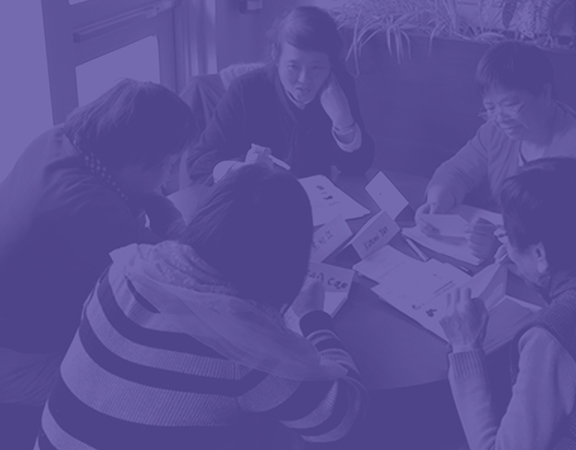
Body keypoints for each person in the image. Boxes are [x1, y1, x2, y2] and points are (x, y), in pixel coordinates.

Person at [36, 164, 367, 449]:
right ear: (287, 261)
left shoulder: (126, 267)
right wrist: (314, 318)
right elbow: (338, 418)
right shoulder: (246, 348)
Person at [0, 79, 198, 449]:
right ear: (135, 158)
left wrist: (167, 214)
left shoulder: (60, 140)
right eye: (168, 164)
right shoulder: (84, 209)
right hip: (18, 361)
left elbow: (140, 190)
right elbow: (174, 274)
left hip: (14, 317)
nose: (171, 177)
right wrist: (180, 229)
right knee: (148, 384)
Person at [439, 158, 576, 450]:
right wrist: (535, 271)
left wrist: (465, 347)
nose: (508, 247)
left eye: (509, 237)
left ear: (540, 253)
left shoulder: (551, 338)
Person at [417, 41, 576, 260]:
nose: (500, 118)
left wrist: (502, 249)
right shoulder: (496, 130)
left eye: (511, 105)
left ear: (545, 92)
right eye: (490, 107)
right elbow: (458, 171)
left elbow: (569, 243)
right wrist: (437, 204)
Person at [185, 5, 375, 184]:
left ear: (331, 65)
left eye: (316, 67)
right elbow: (198, 161)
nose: (304, 80)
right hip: (256, 198)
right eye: (293, 66)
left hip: (316, 200)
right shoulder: (246, 90)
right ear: (276, 56)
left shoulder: (338, 87)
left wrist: (343, 121)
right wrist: (242, 169)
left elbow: (358, 165)